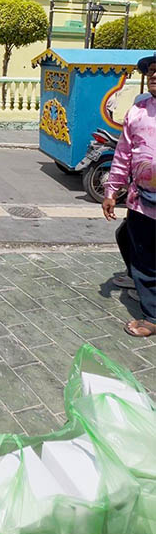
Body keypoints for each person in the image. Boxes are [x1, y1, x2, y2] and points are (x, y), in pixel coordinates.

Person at [103, 53, 156, 338]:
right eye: (151, 72)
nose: (154, 76)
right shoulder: (137, 112)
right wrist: (112, 190)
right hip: (141, 201)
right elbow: (123, 155)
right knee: (142, 254)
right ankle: (152, 313)